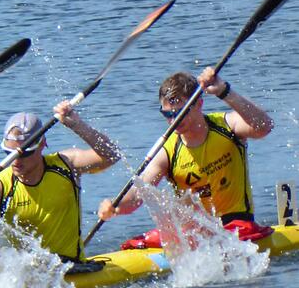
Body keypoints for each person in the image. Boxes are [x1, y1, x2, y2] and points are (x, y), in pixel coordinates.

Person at [97, 67, 275, 248]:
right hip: (193, 232)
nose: (174, 120)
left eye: (180, 112)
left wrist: (224, 91)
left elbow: (264, 126)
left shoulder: (228, 126)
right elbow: (137, 195)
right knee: (133, 243)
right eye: (167, 114)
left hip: (236, 226)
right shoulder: (167, 152)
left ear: (198, 103)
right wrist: (114, 206)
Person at [0, 101, 121, 266]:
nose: (16, 161)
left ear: (42, 145)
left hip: (68, 267)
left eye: (24, 154)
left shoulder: (66, 165)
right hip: (19, 275)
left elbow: (112, 155)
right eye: (8, 154)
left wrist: (77, 124)